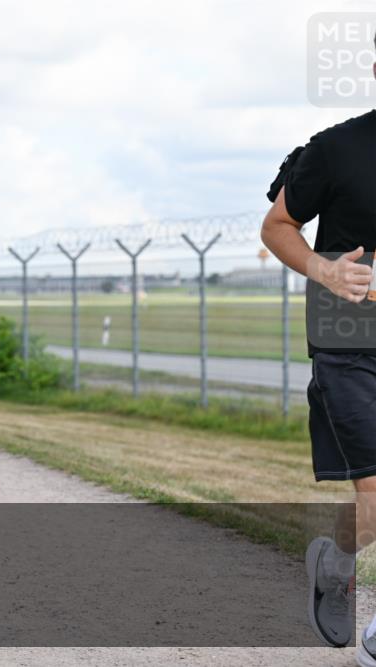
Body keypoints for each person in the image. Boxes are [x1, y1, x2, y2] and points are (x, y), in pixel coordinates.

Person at [260, 59, 375, 664]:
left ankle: (337, 561)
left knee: (372, 509)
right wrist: (324, 270)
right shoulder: (337, 149)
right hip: (350, 345)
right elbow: (278, 225)